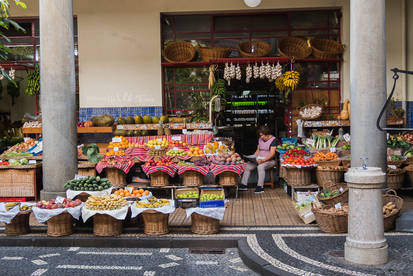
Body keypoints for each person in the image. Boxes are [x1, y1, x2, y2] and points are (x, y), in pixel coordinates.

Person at [239, 126, 279, 194]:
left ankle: (260, 187)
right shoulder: (260, 139)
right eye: (260, 135)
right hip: (259, 159)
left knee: (260, 167)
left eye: (262, 135)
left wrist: (263, 160)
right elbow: (258, 150)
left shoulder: (274, 140)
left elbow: (272, 154)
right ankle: (244, 185)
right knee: (247, 166)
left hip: (270, 161)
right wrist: (252, 157)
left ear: (267, 134)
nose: (261, 137)